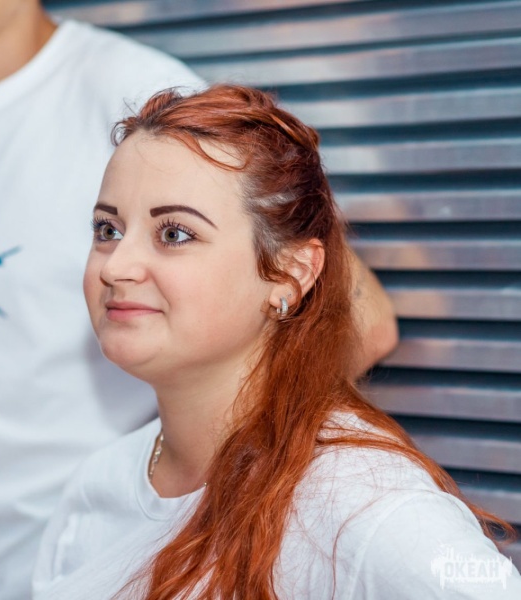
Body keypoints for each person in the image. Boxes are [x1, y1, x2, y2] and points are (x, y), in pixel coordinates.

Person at [0, 1, 397, 597]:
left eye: (171, 234)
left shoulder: (132, 92)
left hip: (81, 568)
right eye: (105, 231)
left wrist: (184, 504)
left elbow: (361, 322)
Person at [33, 85, 520, 599]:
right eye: (107, 230)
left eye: (174, 234)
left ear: (291, 273)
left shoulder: (362, 503)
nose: (117, 266)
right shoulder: (97, 487)